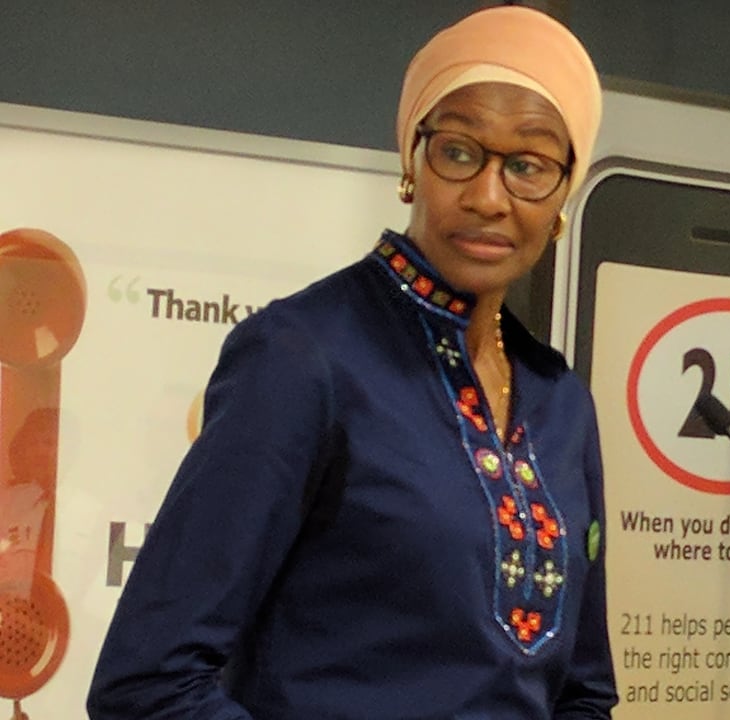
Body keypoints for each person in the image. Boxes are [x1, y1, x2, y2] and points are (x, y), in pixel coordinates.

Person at [86, 6, 616, 719]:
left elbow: (583, 691)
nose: (489, 196)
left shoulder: (561, 404)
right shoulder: (304, 357)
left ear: (563, 193)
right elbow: (147, 684)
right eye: (458, 152)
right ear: (412, 161)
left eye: (528, 166)